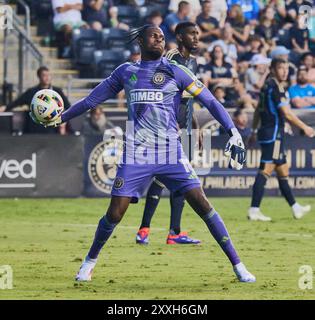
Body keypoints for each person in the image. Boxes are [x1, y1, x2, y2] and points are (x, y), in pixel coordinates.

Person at [37, 25, 255, 283]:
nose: (160, 39)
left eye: (162, 36)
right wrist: (62, 117)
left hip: (170, 152)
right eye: (154, 35)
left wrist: (233, 131)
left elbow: (211, 101)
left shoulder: (177, 71)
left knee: (202, 204)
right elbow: (90, 101)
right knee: (115, 213)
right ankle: (89, 262)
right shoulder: (125, 72)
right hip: (137, 153)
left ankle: (238, 265)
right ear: (140, 41)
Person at [135, 22, 201, 245]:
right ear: (180, 37)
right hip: (170, 128)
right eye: (192, 34)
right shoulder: (171, 59)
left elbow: (188, 97)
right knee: (164, 178)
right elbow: (161, 93)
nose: (196, 38)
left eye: (197, 34)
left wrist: (196, 125)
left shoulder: (191, 62)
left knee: (178, 180)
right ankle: (146, 229)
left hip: (185, 126)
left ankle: (173, 231)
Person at [248, 58, 315, 221]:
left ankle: (295, 207)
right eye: (280, 68)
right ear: (273, 70)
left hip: (268, 133)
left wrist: (254, 130)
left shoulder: (266, 86)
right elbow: (286, 113)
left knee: (283, 170)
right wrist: (304, 127)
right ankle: (254, 209)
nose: (284, 71)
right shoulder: (277, 88)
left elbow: (258, 109)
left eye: (286, 68)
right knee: (265, 169)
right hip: (273, 135)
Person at [0, 66, 70, 134]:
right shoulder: (32, 92)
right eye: (44, 75)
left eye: (49, 75)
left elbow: (68, 106)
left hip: (51, 129)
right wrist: (5, 107)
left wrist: (63, 121)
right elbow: (17, 102)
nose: (47, 78)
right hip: (34, 130)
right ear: (39, 77)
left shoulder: (57, 92)